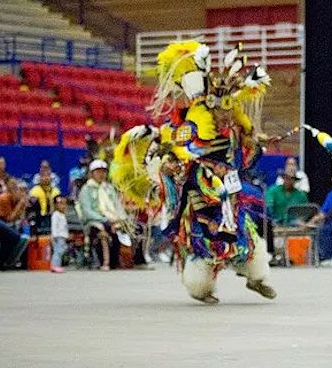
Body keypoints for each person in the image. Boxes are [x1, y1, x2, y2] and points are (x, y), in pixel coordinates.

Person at [110, 42, 276, 303]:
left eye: (227, 110)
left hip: (229, 186)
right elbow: (180, 149)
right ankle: (202, 287)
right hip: (200, 187)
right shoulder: (191, 123)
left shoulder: (233, 123)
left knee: (244, 231)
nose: (223, 116)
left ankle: (256, 276)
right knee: (205, 237)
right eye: (219, 111)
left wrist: (255, 142)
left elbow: (246, 154)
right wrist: (168, 160)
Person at [78, 159, 128, 271]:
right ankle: (104, 262)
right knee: (102, 228)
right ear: (91, 173)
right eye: (98, 171)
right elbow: (87, 211)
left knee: (134, 228)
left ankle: (132, 261)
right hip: (94, 221)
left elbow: (117, 206)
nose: (101, 174)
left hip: (112, 218)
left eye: (103, 172)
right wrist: (104, 219)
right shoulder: (86, 190)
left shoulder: (109, 188)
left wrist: (122, 218)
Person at [50, 196, 69, 273]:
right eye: (60, 204)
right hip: (58, 236)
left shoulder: (62, 215)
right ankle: (55, 265)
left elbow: (64, 227)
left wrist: (67, 235)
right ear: (55, 205)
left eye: (64, 204)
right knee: (58, 251)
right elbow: (54, 226)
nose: (63, 206)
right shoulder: (55, 215)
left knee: (60, 251)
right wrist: (54, 235)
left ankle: (57, 265)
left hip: (63, 236)